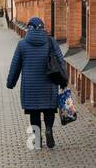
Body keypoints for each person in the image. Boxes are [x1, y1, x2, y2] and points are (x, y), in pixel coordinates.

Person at [6, 15, 62, 150]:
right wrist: (64, 81)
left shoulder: (22, 44)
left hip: (30, 87)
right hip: (49, 85)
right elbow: (60, 62)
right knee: (49, 110)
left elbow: (15, 66)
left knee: (34, 113)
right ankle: (49, 130)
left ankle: (37, 140)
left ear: (29, 29)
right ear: (42, 28)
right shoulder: (51, 42)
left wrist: (10, 82)